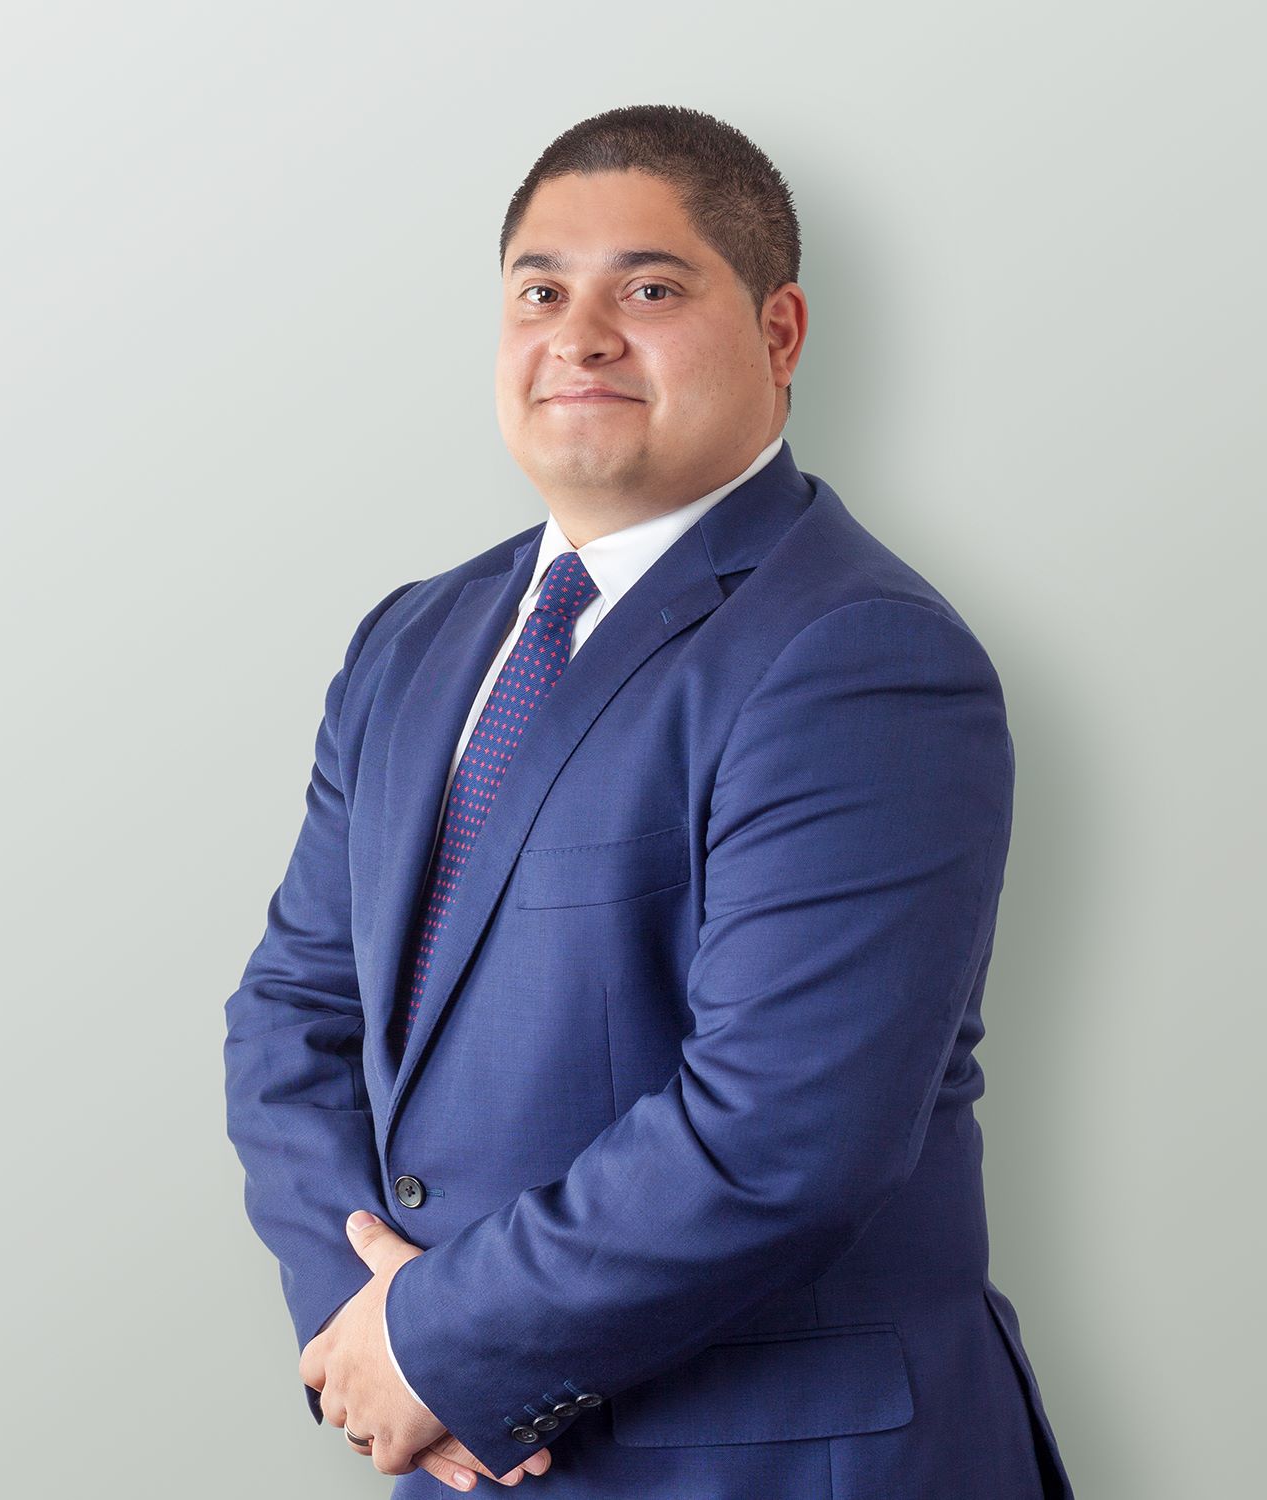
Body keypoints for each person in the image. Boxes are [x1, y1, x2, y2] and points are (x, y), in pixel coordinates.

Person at [223, 103, 1075, 1499]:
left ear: (781, 333)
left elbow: (781, 1131)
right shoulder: (411, 642)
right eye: (539, 293)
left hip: (773, 1467)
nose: (581, 336)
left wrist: (439, 1348)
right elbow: (292, 1012)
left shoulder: (858, 655)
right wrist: (362, 1331)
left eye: (652, 290)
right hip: (468, 1455)